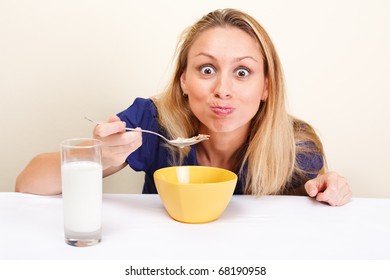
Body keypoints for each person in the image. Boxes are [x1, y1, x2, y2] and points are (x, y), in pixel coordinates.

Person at [15, 8, 351, 206]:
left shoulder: (297, 146)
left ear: (266, 86)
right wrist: (98, 156)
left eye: (242, 72)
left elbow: (306, 230)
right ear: (183, 82)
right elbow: (27, 184)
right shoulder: (152, 122)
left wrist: (328, 192)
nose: (222, 90)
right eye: (207, 69)